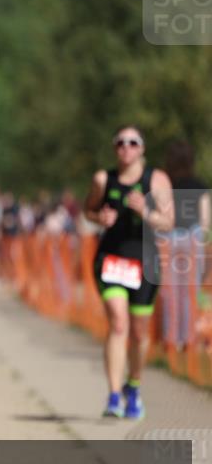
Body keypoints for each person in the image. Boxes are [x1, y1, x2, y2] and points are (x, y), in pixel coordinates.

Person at [82, 126, 174, 419]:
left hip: (145, 263)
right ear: (114, 148)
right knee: (118, 323)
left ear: (142, 149)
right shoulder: (102, 179)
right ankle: (112, 396)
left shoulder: (156, 180)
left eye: (133, 142)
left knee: (138, 332)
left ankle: (133, 387)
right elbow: (88, 211)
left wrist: (145, 212)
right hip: (111, 261)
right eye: (120, 142)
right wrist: (100, 217)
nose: (126, 147)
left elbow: (169, 222)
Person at [161, 140, 211, 348]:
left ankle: (172, 338)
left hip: (170, 239)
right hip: (193, 239)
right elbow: (206, 221)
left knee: (171, 292)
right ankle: (189, 339)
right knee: (190, 292)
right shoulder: (200, 186)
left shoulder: (165, 186)